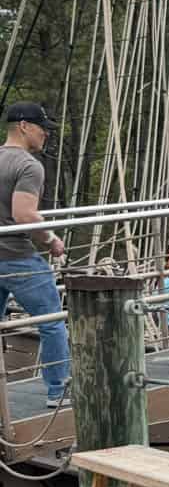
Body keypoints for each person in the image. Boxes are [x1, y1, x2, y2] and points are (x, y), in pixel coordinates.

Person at [0, 102, 69, 406]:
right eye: (43, 129)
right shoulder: (28, 165)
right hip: (16, 256)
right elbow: (24, 214)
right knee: (52, 320)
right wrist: (52, 239)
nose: (46, 135)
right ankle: (58, 391)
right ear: (25, 126)